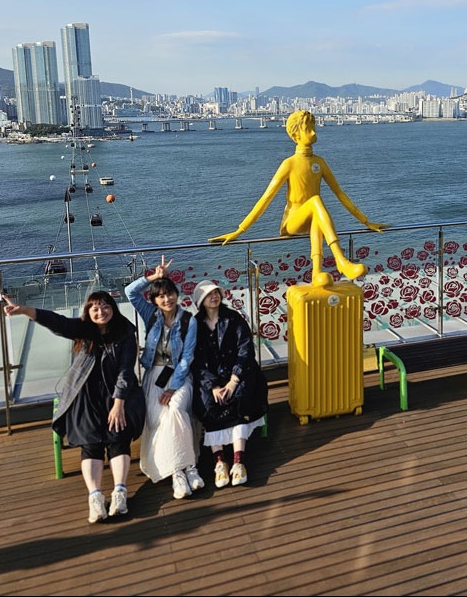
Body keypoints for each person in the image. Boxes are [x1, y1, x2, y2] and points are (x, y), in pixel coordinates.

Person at [1, 290, 145, 523]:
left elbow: (126, 371)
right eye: (95, 308)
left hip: (117, 395)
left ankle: (120, 492)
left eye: (106, 306)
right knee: (90, 443)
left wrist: (118, 403)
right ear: (88, 312)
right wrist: (25, 310)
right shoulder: (83, 329)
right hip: (84, 395)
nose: (101, 311)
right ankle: (95, 497)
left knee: (118, 438)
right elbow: (58, 323)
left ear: (113, 308)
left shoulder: (125, 332)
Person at [210, 109, 387, 287]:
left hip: (312, 218)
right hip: (292, 223)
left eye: (313, 128)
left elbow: (340, 193)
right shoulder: (289, 164)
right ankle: (341, 261)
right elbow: (265, 199)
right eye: (308, 129)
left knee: (317, 209)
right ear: (295, 135)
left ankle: (317, 272)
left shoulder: (319, 162)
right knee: (316, 201)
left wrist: (367, 222)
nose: (314, 132)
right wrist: (239, 231)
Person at [125, 256, 205, 500]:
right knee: (160, 416)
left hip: (179, 375)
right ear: (155, 300)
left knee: (177, 409)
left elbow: (187, 357)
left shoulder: (188, 320)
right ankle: (181, 471)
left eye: (170, 294)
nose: (167, 299)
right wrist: (153, 277)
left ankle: (186, 468)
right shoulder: (150, 314)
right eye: (161, 295)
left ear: (176, 294)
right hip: (154, 373)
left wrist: (174, 387)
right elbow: (129, 292)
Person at [189, 280, 268, 488]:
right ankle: (219, 461)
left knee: (238, 398)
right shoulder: (195, 325)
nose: (214, 296)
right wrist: (212, 385)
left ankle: (238, 461)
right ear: (200, 301)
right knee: (208, 403)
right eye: (208, 294)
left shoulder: (233, 318)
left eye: (216, 292)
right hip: (212, 379)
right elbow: (195, 360)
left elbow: (246, 351)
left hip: (238, 374)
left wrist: (234, 380)